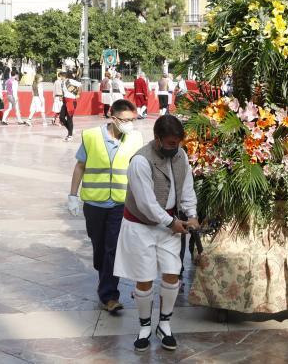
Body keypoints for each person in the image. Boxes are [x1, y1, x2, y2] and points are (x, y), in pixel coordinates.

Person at [113, 115, 199, 353]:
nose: (175, 148)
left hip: (170, 225)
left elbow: (187, 187)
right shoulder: (140, 161)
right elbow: (146, 204)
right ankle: (144, 327)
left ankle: (164, 324)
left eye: (178, 143)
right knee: (145, 278)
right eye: (170, 143)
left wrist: (191, 214)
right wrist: (172, 222)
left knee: (172, 274)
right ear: (157, 139)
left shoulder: (180, 155)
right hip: (141, 227)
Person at [67, 99, 143, 314]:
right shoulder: (91, 136)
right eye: (125, 120)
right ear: (113, 117)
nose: (129, 124)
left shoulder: (135, 138)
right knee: (99, 247)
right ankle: (105, 277)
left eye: (133, 120)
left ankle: (109, 296)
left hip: (121, 203)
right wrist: (73, 195)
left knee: (113, 248)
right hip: (94, 202)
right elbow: (80, 165)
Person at [60, 72, 82, 142]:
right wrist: (62, 97)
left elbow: (80, 85)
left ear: (64, 76)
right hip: (65, 101)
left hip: (71, 102)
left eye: (61, 76)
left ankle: (70, 135)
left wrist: (78, 94)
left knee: (69, 119)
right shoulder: (63, 83)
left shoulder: (70, 81)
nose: (60, 78)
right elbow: (64, 92)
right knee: (61, 118)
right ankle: (70, 130)